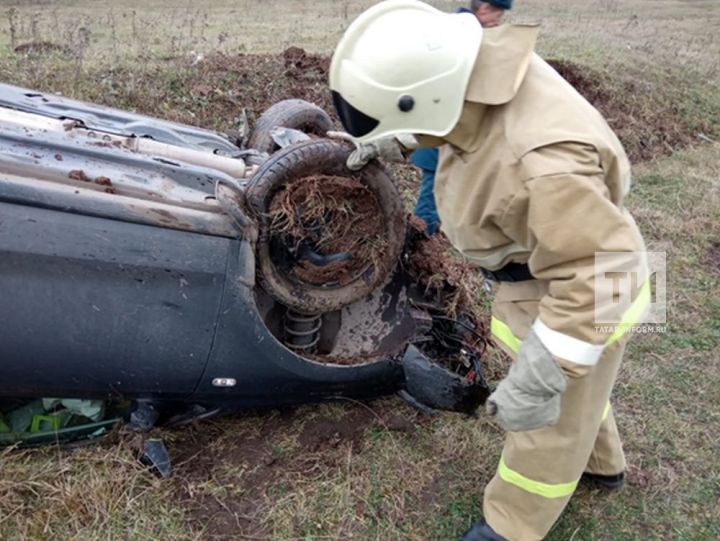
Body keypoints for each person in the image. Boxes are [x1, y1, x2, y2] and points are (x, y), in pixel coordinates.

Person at [329, 2, 650, 540]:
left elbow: (599, 272)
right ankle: (603, 467)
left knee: (546, 418)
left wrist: (544, 372)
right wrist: (396, 136)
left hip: (590, 283)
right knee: (586, 390)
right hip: (574, 252)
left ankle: (509, 525)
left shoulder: (541, 164)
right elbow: (458, 107)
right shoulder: (483, 67)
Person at [412, 0, 512, 234]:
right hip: (442, 129)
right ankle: (416, 244)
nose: (500, 21)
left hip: (452, 130)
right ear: (484, 8)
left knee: (455, 190)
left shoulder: (458, 30)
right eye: (499, 13)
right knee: (434, 194)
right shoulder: (465, 38)